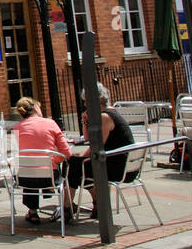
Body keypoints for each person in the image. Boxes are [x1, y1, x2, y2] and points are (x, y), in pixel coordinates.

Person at [67, 85, 133, 218]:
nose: (85, 105)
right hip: (121, 164)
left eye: (86, 101)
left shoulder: (105, 117)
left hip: (117, 168)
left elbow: (97, 145)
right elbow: (87, 139)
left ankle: (67, 207)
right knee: (77, 164)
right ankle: (94, 204)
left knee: (73, 166)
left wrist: (83, 158)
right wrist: (85, 121)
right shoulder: (110, 113)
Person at [11, 96, 72, 224]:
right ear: (35, 108)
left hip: (25, 179)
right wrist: (55, 161)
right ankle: (66, 207)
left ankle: (32, 211)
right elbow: (67, 152)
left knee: (28, 168)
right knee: (57, 170)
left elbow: (15, 156)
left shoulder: (16, 128)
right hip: (49, 177)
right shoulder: (50, 123)